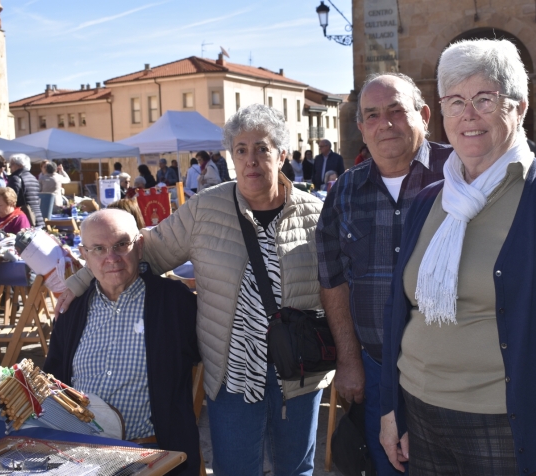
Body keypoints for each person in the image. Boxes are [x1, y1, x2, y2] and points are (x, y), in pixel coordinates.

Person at [380, 39, 536, 476]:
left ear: (519, 108)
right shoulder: (430, 200)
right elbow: (401, 310)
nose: (468, 115)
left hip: (506, 427)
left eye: (484, 99)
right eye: (455, 101)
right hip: (421, 414)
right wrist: (391, 408)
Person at [55, 104, 332, 476]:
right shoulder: (205, 208)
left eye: (263, 148)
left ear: (282, 155)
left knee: (296, 469)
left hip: (299, 373)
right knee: (235, 469)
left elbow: (337, 288)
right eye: (241, 149)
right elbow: (135, 249)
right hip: (232, 374)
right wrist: (80, 279)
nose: (251, 160)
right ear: (230, 157)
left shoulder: (315, 215)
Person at [316, 72, 451, 476]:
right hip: (376, 369)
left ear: (424, 115)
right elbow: (333, 280)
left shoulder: (460, 174)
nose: (384, 123)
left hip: (453, 371)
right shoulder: (345, 192)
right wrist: (349, 358)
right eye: (372, 115)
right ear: (360, 128)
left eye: (396, 110)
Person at [44, 209, 199, 475]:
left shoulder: (174, 303)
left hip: (150, 453)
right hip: (79, 455)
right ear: (85, 255)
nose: (111, 258)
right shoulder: (73, 311)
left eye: (120, 245)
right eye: (99, 249)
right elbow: (52, 379)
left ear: (139, 246)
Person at [8, 154, 44, 228]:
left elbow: (10, 201)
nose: (9, 167)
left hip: (24, 219)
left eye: (12, 164)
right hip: (37, 217)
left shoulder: (16, 178)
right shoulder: (33, 178)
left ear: (20, 165)